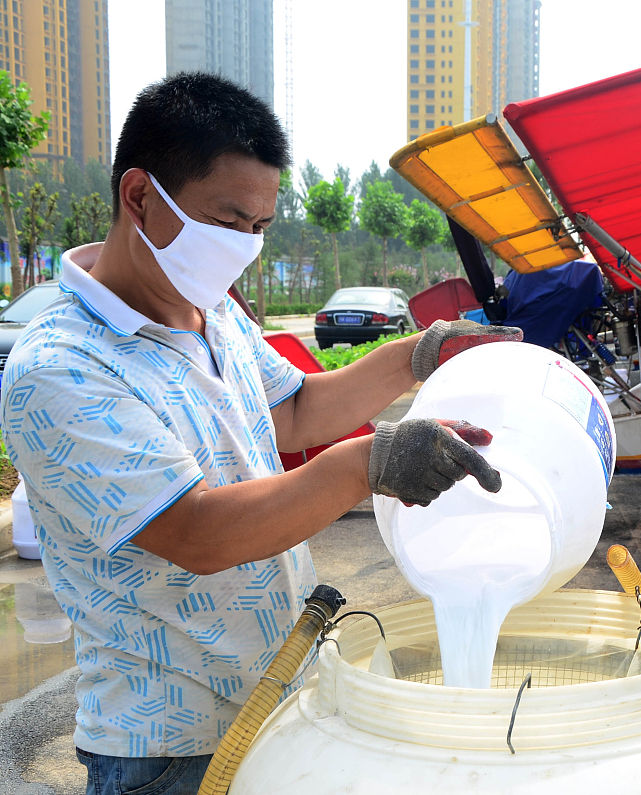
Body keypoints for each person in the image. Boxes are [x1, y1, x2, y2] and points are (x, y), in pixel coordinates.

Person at [0, 72, 522, 794]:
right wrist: (367, 463)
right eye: (226, 219)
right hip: (170, 749)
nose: (243, 246)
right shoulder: (60, 366)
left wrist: (417, 354)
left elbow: (296, 409)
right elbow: (195, 532)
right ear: (141, 197)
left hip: (279, 697)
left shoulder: (210, 311)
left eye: (260, 228)